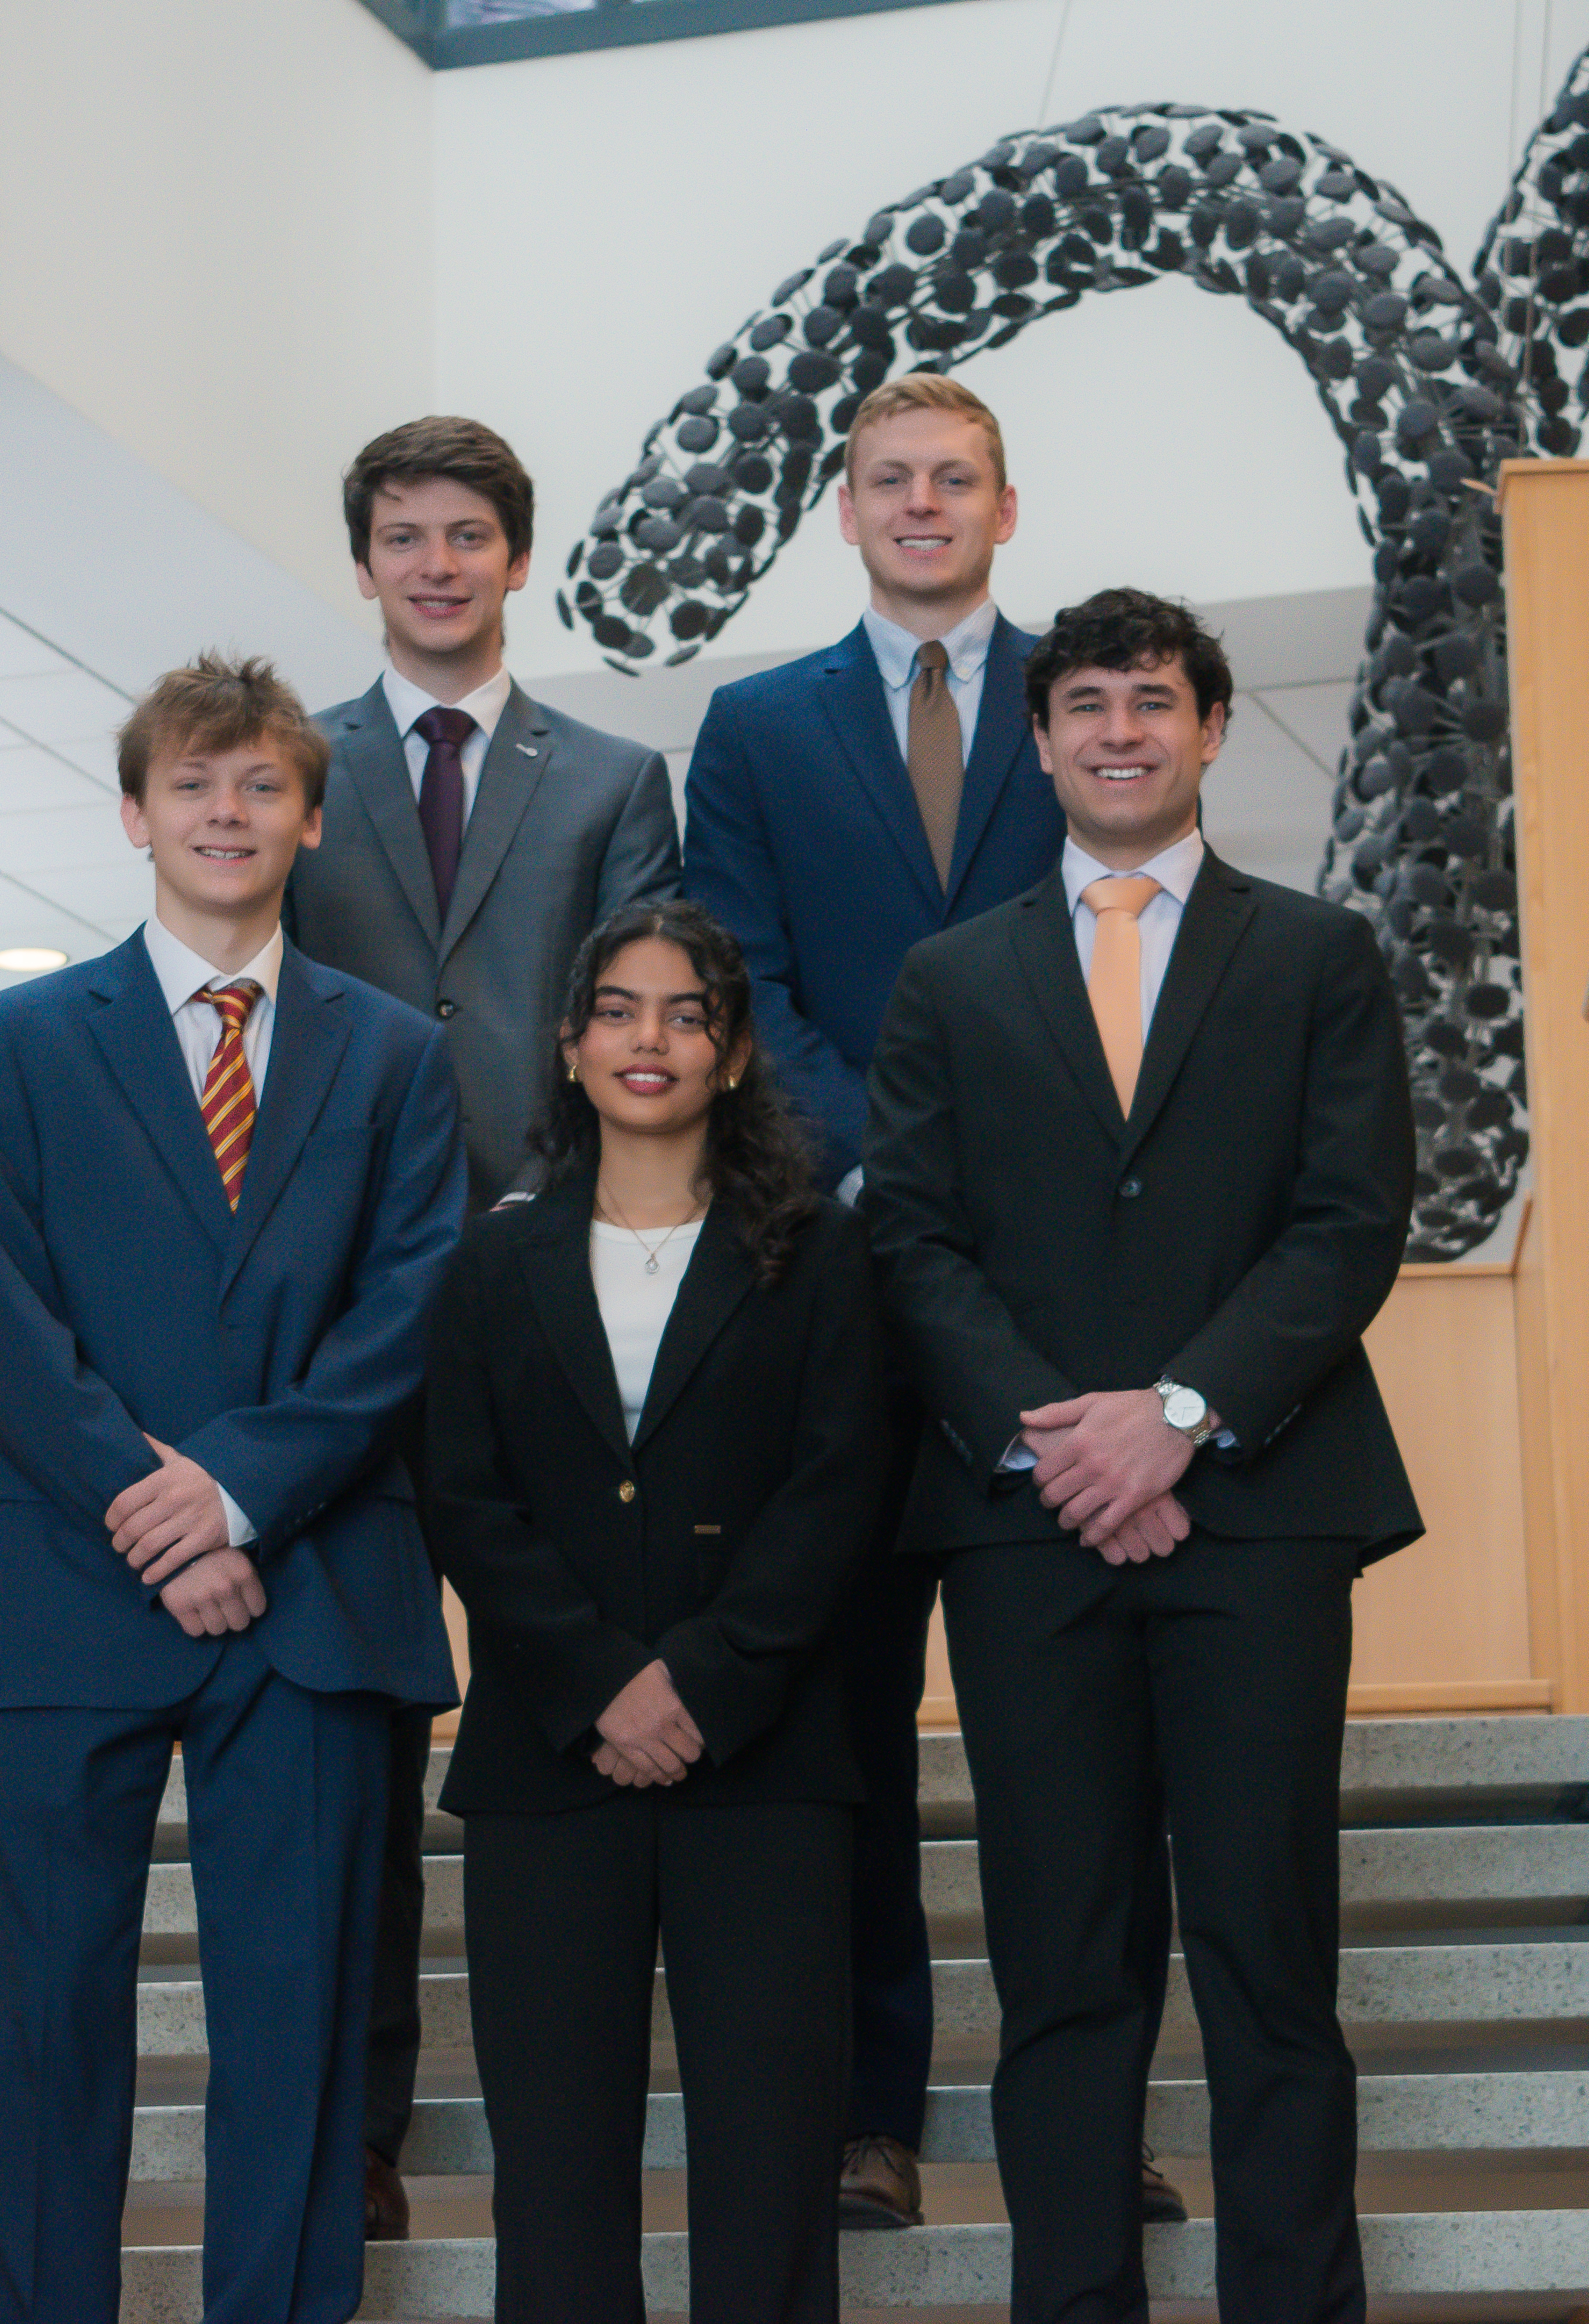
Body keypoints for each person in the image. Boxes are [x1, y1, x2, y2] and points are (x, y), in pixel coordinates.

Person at [863, 589, 1422, 2324]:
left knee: (1267, 1962)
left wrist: (1173, 1416)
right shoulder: (947, 980)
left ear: (1206, 729)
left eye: (1153, 700)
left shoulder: (1319, 954)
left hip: (1260, 1517)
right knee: (1064, 1974)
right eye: (1086, 702)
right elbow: (915, 1244)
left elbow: (1348, 1226)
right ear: (1037, 742)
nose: (1119, 728)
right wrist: (1065, 1445)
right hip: (1029, 1536)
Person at [685, 375, 1188, 2235]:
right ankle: (866, 2115)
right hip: (835, 1280)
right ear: (843, 512)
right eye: (888, 480)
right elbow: (741, 980)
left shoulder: (1093, 696)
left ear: (1005, 504)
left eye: (952, 479)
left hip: (1066, 1298)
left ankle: (1092, 2108)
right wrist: (890, 1170)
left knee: (1078, 1740)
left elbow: (1133, 931)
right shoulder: (750, 730)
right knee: (845, 1724)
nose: (920, 504)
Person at [0, 654, 465, 2324]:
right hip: (71, 1581)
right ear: (133, 814)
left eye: (259, 787)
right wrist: (155, 1512)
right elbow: (1, 1309)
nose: (224, 812)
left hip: (309, 1592)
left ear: (310, 819)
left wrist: (235, 1499)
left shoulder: (392, 1054)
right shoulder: (19, 1036)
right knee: (49, 2011)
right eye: (191, 784)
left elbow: (409, 1310)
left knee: (295, 2016)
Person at [284, 415, 681, 2235]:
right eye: (402, 536)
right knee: (360, 1718)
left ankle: (581, 2110)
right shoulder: (289, 771)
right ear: (363, 561)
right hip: (342, 1301)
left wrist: (540, 1218)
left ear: (517, 560)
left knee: (564, 1666)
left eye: (468, 536)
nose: (436, 563)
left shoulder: (610, 778)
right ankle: (358, 2126)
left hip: (548, 1285)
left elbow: (626, 1025)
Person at [425, 899, 887, 2324]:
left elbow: (842, 1487)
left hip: (767, 1762)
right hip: (548, 1770)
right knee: (556, 2177)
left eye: (687, 1012)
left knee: (768, 2165)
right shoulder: (492, 1263)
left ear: (734, 1053)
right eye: (618, 1009)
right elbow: (462, 1493)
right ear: (569, 1047)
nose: (651, 1038)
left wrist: (702, 1679)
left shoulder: (818, 1255)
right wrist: (599, 1687)